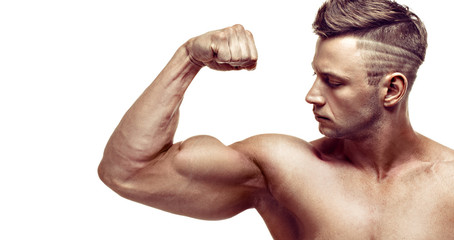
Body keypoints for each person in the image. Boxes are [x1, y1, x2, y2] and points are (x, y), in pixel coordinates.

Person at [98, 0, 454, 239]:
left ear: (392, 89)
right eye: (316, 76)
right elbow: (127, 173)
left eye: (333, 82)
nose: (312, 95)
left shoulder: (448, 183)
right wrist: (188, 58)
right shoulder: (287, 169)